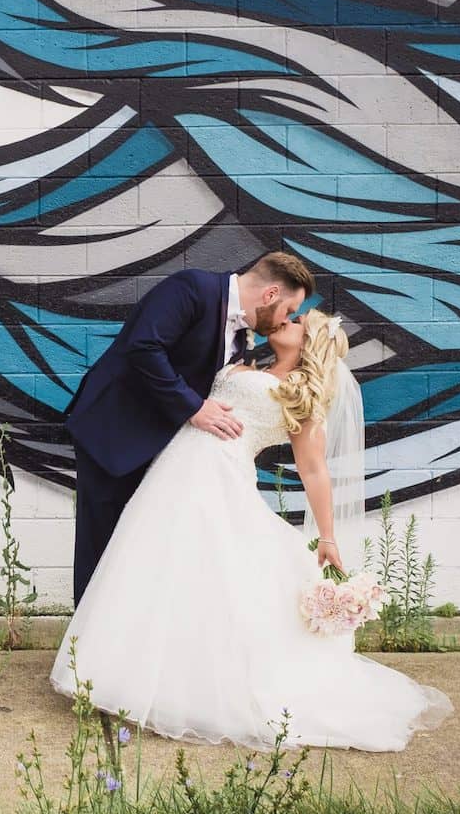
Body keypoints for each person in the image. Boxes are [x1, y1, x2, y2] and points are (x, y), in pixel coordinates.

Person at [51, 309, 454, 751]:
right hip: (175, 471)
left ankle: (191, 690)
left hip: (218, 480)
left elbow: (314, 469)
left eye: (299, 321)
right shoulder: (246, 360)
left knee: (202, 574)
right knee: (159, 569)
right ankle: (133, 674)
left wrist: (328, 536)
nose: (288, 319)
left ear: (310, 344)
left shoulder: (301, 397)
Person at [64, 252, 314, 605]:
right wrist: (193, 407)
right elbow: (143, 347)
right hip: (115, 434)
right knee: (102, 548)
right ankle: (85, 655)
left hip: (164, 453)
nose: (284, 320)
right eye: (288, 310)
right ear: (271, 295)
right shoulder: (192, 288)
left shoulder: (241, 336)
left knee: (138, 556)